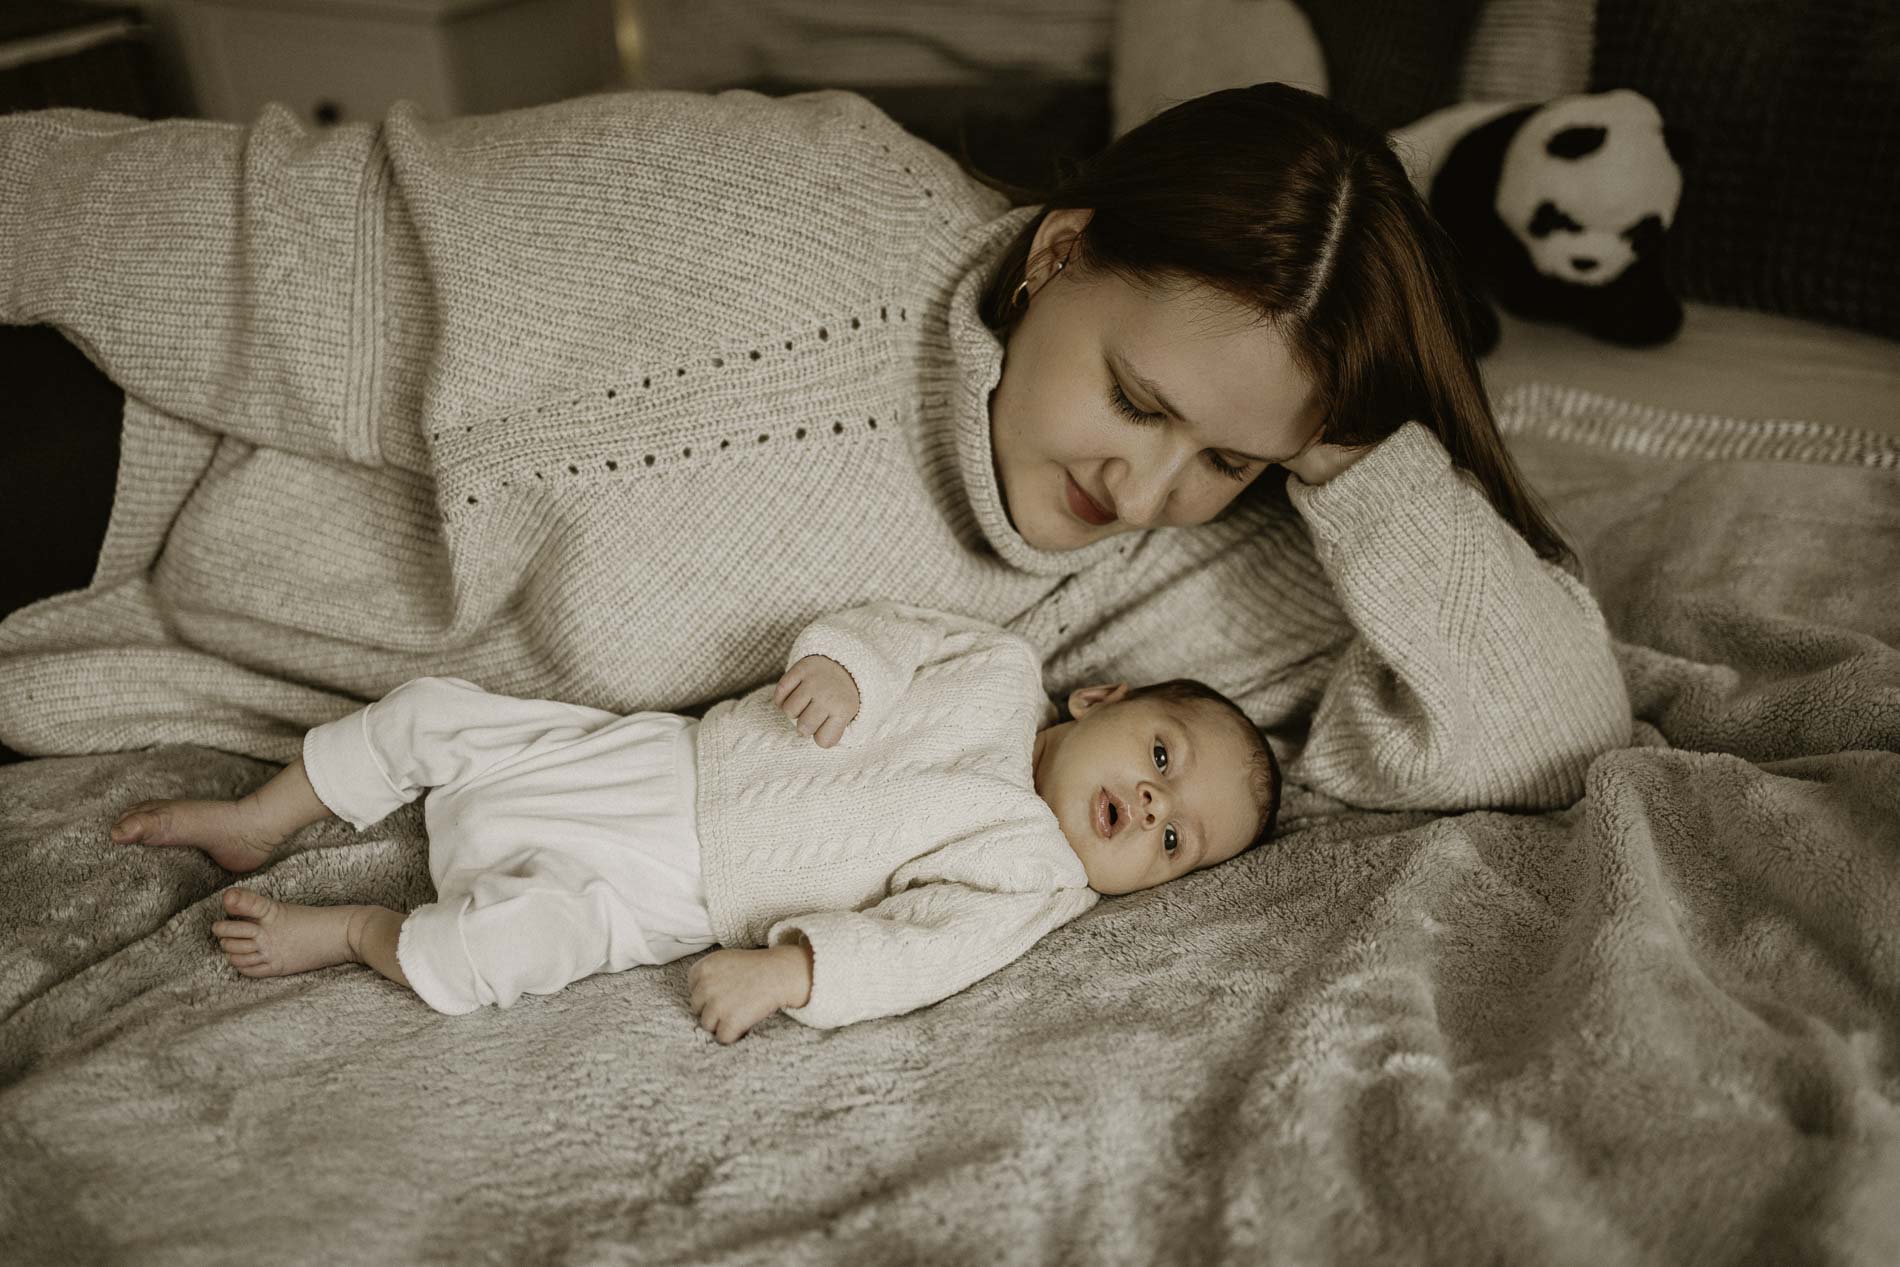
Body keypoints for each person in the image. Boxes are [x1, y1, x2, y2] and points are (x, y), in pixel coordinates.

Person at [0, 80, 1629, 813]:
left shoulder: (1178, 579)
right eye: (1136, 400)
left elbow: (1544, 728)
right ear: (1059, 252)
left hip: (142, 650)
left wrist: (1355, 449)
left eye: (1232, 457)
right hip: (139, 435)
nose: (1141, 488)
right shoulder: (808, 209)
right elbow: (312, 243)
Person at [107, 603, 1282, 1043]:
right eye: (1164, 759)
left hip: (670, 898)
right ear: (1104, 700)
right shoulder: (1001, 669)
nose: (1151, 807)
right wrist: (845, 672)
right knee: (431, 714)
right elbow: (890, 632)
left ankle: (357, 930)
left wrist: (792, 973)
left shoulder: (1032, 878)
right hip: (659, 758)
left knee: (511, 948)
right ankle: (263, 814)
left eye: (1173, 841)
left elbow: (923, 948)